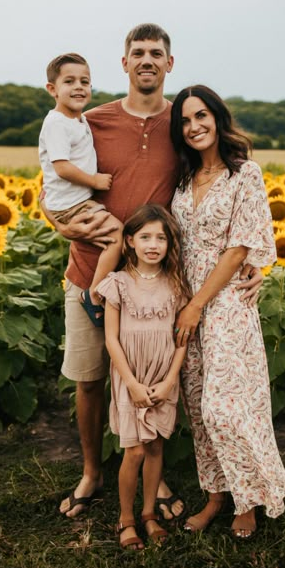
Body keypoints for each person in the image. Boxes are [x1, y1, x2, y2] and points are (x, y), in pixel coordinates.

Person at [42, 24, 263, 520]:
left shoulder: (180, 125)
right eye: (137, 53)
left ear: (169, 63)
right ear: (124, 64)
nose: (146, 60)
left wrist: (250, 261)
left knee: (158, 374)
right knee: (90, 377)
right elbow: (51, 182)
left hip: (158, 285)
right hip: (90, 274)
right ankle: (93, 472)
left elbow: (217, 191)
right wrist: (57, 221)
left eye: (155, 53)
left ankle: (153, 478)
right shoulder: (90, 121)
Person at [170, 85, 285, 538]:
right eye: (184, 121)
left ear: (217, 118)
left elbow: (239, 245)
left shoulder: (245, 174)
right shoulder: (182, 179)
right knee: (200, 408)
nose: (194, 126)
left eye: (201, 115)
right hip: (184, 301)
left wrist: (198, 305)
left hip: (224, 302)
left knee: (228, 405)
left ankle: (251, 498)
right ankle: (216, 496)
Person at [96, 204, 189, 549]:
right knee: (133, 452)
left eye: (161, 238)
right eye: (145, 236)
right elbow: (110, 338)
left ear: (169, 243)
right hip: (130, 377)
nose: (153, 244)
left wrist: (169, 381)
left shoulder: (177, 283)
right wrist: (132, 383)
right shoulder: (117, 284)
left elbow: (182, 339)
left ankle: (149, 513)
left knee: (154, 446)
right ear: (130, 241)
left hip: (163, 376)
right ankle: (126, 518)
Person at [39, 52, 122, 326]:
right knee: (117, 236)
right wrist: (95, 180)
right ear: (52, 89)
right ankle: (94, 295)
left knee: (112, 238)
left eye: (84, 82)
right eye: (70, 81)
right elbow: (61, 167)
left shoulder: (78, 119)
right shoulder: (56, 124)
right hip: (72, 206)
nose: (78, 87)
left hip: (73, 202)